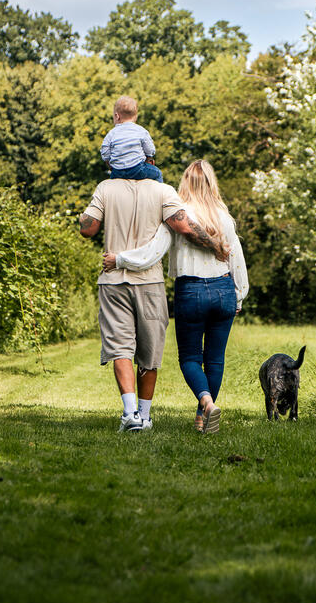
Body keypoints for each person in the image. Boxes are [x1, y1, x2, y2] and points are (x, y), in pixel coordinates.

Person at [79, 157, 229, 433]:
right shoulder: (221, 215)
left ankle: (139, 412)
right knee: (209, 358)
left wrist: (119, 259)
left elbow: (152, 251)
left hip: (185, 290)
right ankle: (196, 415)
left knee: (187, 357)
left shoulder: (171, 209)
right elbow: (237, 259)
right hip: (219, 288)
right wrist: (238, 293)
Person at [101, 95, 163, 182]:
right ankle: (158, 193)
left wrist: (111, 167)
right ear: (135, 116)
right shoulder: (141, 131)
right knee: (158, 173)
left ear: (117, 116)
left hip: (117, 172)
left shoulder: (111, 133)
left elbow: (105, 154)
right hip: (138, 169)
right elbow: (150, 150)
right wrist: (148, 158)